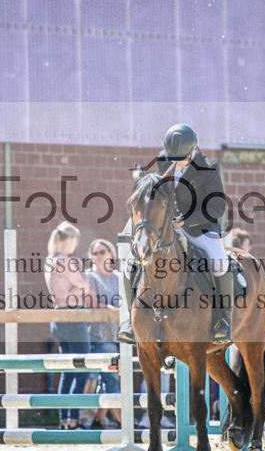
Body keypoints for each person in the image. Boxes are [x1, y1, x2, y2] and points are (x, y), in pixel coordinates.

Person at [118, 124, 233, 344]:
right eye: (173, 158)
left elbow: (217, 207)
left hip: (200, 227)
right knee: (130, 264)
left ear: (194, 150)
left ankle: (223, 320)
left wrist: (187, 219)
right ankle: (128, 321)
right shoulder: (164, 160)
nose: (176, 162)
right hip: (164, 228)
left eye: (181, 158)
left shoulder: (208, 168)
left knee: (219, 262)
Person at [45, 222, 93, 429]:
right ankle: (72, 418)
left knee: (68, 370)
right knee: (81, 366)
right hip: (73, 315)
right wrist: (80, 286)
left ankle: (65, 418)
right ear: (70, 239)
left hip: (58, 316)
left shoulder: (51, 260)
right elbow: (83, 283)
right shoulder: (65, 261)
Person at [82, 238, 122, 429]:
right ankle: (126, 423)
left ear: (111, 254)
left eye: (102, 252)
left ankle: (98, 420)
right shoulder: (90, 276)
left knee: (113, 378)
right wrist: (110, 308)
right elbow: (91, 304)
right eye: (95, 253)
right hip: (99, 334)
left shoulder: (120, 277)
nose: (98, 256)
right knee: (111, 379)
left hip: (120, 334)